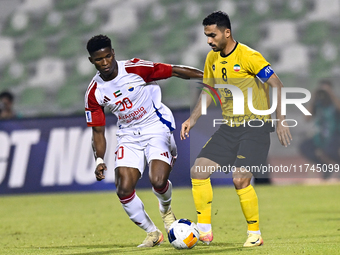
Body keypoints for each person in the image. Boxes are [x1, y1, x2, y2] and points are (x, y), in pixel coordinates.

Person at [180, 11, 292, 247]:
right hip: (229, 127)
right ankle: (205, 231)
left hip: (255, 127)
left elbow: (277, 85)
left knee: (240, 179)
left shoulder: (249, 56)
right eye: (206, 36)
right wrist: (193, 119)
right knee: (198, 171)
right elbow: (208, 91)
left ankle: (255, 233)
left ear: (227, 32)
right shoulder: (212, 58)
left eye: (212, 35)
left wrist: (281, 120)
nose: (209, 40)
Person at [84, 35, 203, 248]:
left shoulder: (135, 68)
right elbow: (98, 131)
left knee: (157, 181)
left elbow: (174, 70)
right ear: (91, 60)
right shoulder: (94, 92)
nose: (105, 63)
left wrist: (208, 77)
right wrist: (99, 158)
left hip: (155, 126)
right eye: (99, 59)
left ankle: (167, 214)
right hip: (128, 135)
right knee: (123, 188)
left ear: (114, 53)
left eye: (108, 56)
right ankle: (152, 232)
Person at [300, 79, 340, 181]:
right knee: (305, 147)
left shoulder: (335, 101)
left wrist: (331, 94)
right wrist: (313, 98)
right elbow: (307, 118)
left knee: (330, 151)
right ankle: (325, 167)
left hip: (335, 134)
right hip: (321, 135)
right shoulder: (318, 103)